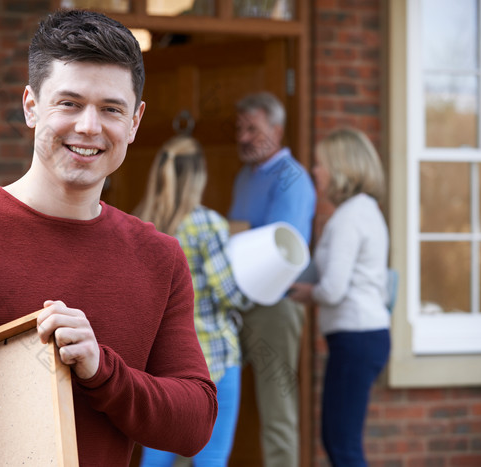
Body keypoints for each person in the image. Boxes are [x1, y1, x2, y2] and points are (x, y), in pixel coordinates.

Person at [0, 10, 217, 466]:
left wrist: (103, 371)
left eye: (111, 109)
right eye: (69, 103)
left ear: (135, 122)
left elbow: (194, 423)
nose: (90, 127)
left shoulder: (160, 257)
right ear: (32, 106)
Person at [134, 135, 254, 466]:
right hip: (213, 358)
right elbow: (229, 294)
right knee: (211, 460)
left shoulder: (141, 226)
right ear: (198, 177)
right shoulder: (208, 225)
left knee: (155, 460)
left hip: (160, 364)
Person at [289, 128, 391, 467]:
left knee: (342, 445)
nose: (315, 170)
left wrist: (304, 292)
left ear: (342, 167)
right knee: (338, 440)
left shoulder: (349, 217)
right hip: (362, 337)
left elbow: (333, 289)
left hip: (357, 338)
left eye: (321, 164)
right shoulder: (365, 211)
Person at [227, 91, 316, 467]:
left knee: (277, 410)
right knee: (205, 391)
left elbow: (284, 250)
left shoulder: (292, 178)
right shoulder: (246, 176)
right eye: (240, 129)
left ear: (277, 130)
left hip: (274, 310)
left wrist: (235, 231)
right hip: (237, 303)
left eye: (253, 128)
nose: (244, 137)